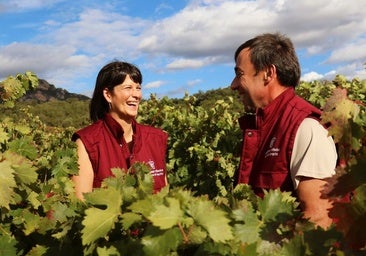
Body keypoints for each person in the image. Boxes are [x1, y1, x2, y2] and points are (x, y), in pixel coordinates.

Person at [230, 33, 337, 228]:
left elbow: (318, 219)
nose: (233, 85)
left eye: (239, 74)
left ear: (268, 74)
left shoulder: (306, 127)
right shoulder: (263, 126)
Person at [72, 61, 168, 200]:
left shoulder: (156, 139)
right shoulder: (88, 142)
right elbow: (80, 206)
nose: (136, 95)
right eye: (128, 87)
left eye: (138, 88)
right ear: (108, 95)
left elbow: (165, 197)